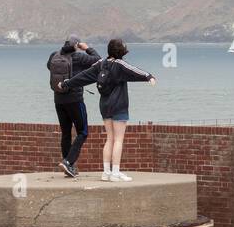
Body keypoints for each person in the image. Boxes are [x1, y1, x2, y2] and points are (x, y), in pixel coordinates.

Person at [59, 38, 156, 181]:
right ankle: (115, 172)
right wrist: (149, 77)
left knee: (109, 139)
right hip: (118, 106)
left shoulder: (101, 63)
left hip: (104, 106)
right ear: (121, 52)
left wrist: (67, 83)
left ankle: (106, 173)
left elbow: (83, 76)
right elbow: (135, 71)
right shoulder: (120, 64)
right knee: (118, 140)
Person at [47, 35, 101, 178]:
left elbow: (49, 67)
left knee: (65, 133)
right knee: (83, 132)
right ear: (76, 45)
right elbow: (99, 61)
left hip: (58, 100)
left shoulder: (54, 55)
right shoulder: (78, 57)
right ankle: (68, 161)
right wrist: (88, 48)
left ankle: (68, 164)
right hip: (75, 100)